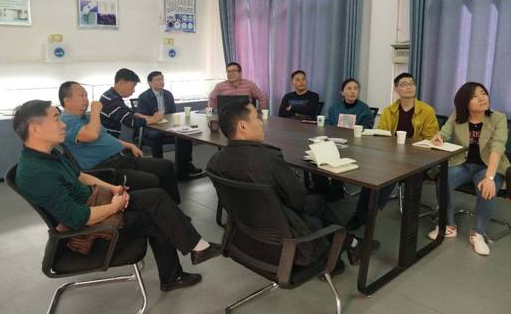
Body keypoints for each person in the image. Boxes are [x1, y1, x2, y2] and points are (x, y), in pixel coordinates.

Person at [13, 100, 220, 292]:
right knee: (156, 218)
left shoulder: (47, 153)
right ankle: (175, 274)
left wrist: (112, 189)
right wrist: (115, 206)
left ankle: (197, 247)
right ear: (35, 129)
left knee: (157, 196)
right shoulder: (36, 173)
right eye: (56, 119)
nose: (63, 125)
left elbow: (81, 176)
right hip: (88, 229)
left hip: (97, 201)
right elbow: (78, 218)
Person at [207, 100, 364, 269]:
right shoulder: (268, 159)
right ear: (243, 126)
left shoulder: (214, 162)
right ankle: (343, 249)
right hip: (286, 242)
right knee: (316, 203)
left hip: (245, 237)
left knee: (315, 203)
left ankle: (347, 246)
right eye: (257, 118)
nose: (261, 122)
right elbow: (298, 200)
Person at [59, 81, 181, 204]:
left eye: (86, 95)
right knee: (151, 180)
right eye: (81, 95)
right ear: (67, 101)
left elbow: (106, 137)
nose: (86, 99)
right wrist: (95, 111)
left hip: (121, 159)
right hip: (105, 168)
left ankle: (173, 207)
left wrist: (130, 145)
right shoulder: (65, 121)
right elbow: (92, 135)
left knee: (166, 166)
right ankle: (151, 210)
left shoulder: (86, 118)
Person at [427, 82, 511, 256]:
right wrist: (438, 137)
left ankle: (478, 233)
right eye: (474, 96)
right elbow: (444, 132)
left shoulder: (498, 118)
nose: (481, 98)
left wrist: (489, 178)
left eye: (483, 93)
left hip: (488, 166)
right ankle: (448, 225)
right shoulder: (457, 115)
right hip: (463, 164)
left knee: (486, 187)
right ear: (464, 102)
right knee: (444, 179)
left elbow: (497, 147)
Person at [346, 73, 439, 231]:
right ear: (396, 89)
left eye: (411, 83)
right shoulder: (389, 111)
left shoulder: (427, 111)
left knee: (388, 173)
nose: (409, 87)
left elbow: (430, 139)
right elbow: (381, 135)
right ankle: (362, 214)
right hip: (392, 156)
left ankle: (367, 214)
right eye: (404, 84)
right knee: (372, 173)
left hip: (418, 158)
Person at [136, 71, 203, 179]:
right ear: (150, 83)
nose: (161, 81)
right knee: (157, 136)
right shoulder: (144, 97)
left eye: (162, 79)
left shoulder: (168, 94)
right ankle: (159, 167)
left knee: (185, 134)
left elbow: (172, 113)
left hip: (167, 125)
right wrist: (155, 119)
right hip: (150, 127)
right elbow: (142, 116)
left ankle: (184, 166)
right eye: (158, 79)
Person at [99, 68, 162, 139]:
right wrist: (154, 120)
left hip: (110, 137)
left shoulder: (111, 95)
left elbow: (127, 112)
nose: (133, 90)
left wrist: (144, 116)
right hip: (109, 139)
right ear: (121, 83)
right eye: (133, 86)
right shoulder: (111, 100)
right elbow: (131, 121)